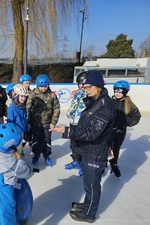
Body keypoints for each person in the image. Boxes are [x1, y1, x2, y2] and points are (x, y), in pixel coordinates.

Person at [52, 71, 116, 223]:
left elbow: (92, 133)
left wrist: (66, 131)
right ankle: (87, 205)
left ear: (98, 86)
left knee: (92, 185)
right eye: (84, 87)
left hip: (95, 152)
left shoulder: (104, 106)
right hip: (91, 149)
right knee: (88, 182)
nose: (85, 90)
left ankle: (89, 214)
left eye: (88, 87)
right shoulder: (96, 101)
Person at [0, 123, 32, 225]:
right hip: (4, 196)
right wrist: (21, 158)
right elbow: (27, 172)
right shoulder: (15, 163)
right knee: (7, 220)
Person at [26, 74, 60, 166]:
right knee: (36, 140)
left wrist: (53, 122)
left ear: (48, 85)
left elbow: (56, 109)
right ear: (37, 86)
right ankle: (36, 155)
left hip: (47, 124)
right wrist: (28, 122)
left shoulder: (52, 96)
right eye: (41, 86)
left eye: (45, 86)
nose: (43, 88)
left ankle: (46, 155)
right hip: (35, 123)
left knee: (47, 141)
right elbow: (28, 109)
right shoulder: (32, 95)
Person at [110, 80, 141, 178]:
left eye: (120, 91)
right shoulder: (109, 102)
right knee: (105, 147)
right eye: (116, 91)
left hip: (120, 131)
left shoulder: (129, 104)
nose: (118, 93)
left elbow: (137, 116)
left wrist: (127, 122)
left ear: (125, 92)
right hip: (108, 130)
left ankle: (114, 164)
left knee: (116, 148)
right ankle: (101, 164)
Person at [65, 71, 87, 175]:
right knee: (73, 144)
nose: (81, 86)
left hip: (82, 124)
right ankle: (76, 161)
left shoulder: (89, 95)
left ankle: (84, 165)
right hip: (73, 122)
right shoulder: (76, 94)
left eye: (84, 83)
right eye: (80, 83)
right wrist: (70, 112)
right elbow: (73, 105)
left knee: (82, 146)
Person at [7, 84, 30, 156]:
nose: (23, 98)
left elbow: (24, 119)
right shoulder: (12, 108)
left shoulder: (23, 107)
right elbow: (9, 122)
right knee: (15, 145)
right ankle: (15, 156)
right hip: (15, 132)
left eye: (25, 97)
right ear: (16, 96)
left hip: (21, 131)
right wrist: (11, 133)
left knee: (20, 144)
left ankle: (20, 150)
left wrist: (26, 129)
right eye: (21, 96)